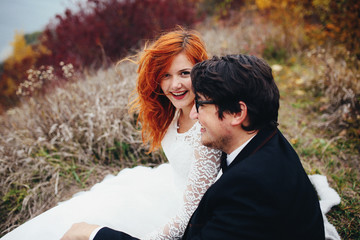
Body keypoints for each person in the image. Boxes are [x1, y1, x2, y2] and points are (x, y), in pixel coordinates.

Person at [69, 54, 331, 240]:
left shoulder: (246, 189)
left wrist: (94, 234)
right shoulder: (266, 137)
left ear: (237, 113)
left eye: (201, 104)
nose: (194, 115)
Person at [1, 28, 222, 240]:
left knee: (96, 225)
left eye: (184, 73)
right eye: (166, 75)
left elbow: (190, 217)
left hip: (191, 216)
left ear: (201, 71)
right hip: (169, 192)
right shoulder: (173, 111)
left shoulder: (208, 127)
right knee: (83, 212)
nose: (175, 84)